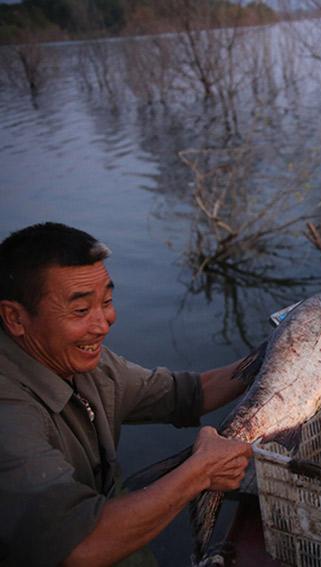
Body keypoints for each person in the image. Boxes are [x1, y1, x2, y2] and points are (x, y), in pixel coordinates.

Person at [0, 223, 255, 566]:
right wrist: (200, 473)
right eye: (80, 311)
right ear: (15, 318)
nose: (103, 323)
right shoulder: (9, 413)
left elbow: (188, 393)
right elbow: (79, 547)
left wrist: (278, 352)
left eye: (106, 301)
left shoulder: (85, 361)